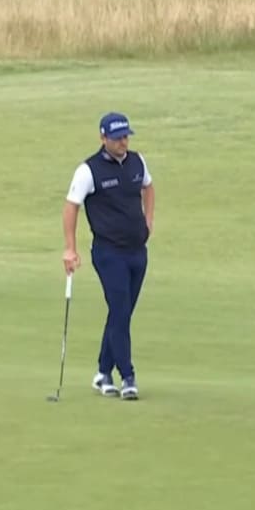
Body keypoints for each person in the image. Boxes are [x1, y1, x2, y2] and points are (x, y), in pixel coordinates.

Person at [62, 112, 154, 400]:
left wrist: (148, 221)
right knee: (120, 309)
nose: (123, 142)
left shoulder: (137, 162)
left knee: (121, 312)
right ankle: (127, 376)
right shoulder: (88, 171)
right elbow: (71, 207)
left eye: (126, 136)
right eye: (117, 138)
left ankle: (103, 372)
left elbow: (148, 188)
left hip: (137, 252)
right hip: (108, 252)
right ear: (103, 138)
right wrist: (70, 248)